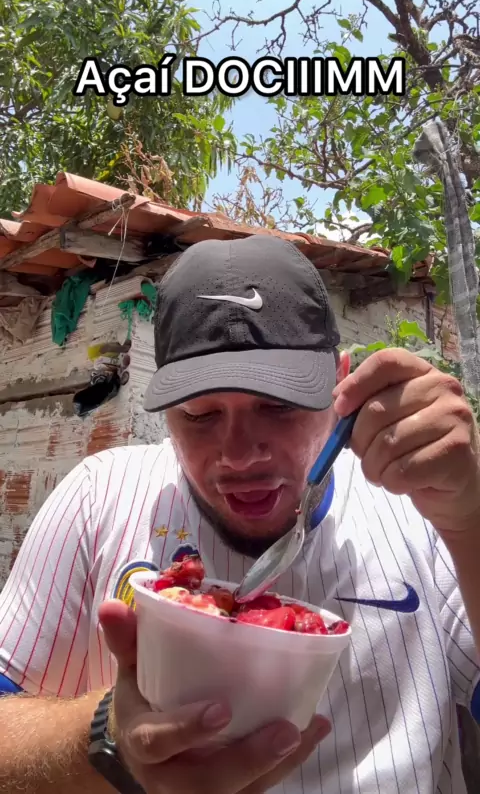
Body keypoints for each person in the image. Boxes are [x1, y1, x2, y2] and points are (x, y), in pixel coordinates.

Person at [0, 233, 479, 794]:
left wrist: (469, 519)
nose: (239, 454)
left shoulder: (417, 505)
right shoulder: (98, 496)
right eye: (199, 414)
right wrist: (109, 739)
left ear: (341, 384)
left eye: (277, 406)